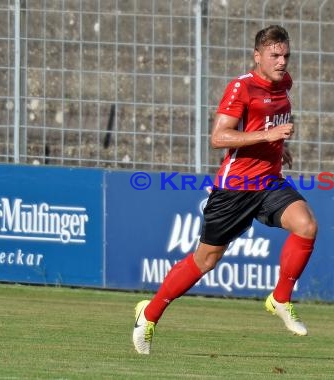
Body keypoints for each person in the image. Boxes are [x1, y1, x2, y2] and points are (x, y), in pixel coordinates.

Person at [133, 25, 318, 355]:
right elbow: (219, 138)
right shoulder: (241, 88)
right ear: (257, 56)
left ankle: (280, 298)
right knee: (205, 261)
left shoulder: (285, 83)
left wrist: (278, 149)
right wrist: (268, 137)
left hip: (268, 182)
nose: (281, 61)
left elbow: (268, 126)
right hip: (234, 190)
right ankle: (149, 316)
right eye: (274, 55)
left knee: (306, 225)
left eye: (286, 55)